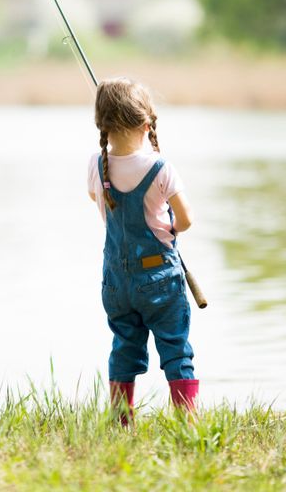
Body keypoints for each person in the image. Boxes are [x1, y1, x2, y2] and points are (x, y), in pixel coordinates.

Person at [87, 77, 197, 424]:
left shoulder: (95, 164)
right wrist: (171, 229)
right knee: (175, 349)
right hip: (159, 279)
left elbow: (97, 200)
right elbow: (186, 219)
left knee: (124, 347)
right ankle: (186, 422)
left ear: (102, 124)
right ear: (147, 125)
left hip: (116, 282)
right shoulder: (160, 168)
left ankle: (121, 421)